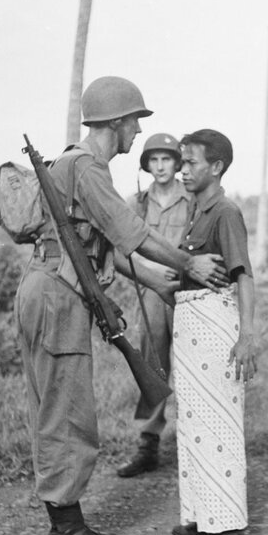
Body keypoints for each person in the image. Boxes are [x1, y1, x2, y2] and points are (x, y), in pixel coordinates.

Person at [15, 77, 227, 535]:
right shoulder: (87, 168)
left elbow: (105, 245)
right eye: (135, 120)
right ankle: (66, 534)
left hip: (52, 289)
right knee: (66, 413)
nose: (138, 131)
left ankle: (71, 523)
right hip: (57, 296)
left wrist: (156, 282)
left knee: (61, 407)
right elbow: (134, 233)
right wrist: (187, 263)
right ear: (116, 122)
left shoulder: (74, 165)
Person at [170, 129, 257, 535]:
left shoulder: (225, 212)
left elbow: (243, 276)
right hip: (190, 330)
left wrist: (247, 335)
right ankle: (203, 517)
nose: (184, 171)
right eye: (182, 163)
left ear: (216, 167)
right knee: (195, 425)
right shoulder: (195, 210)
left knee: (219, 425)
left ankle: (229, 528)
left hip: (216, 326)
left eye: (192, 163)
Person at [116, 133, 190, 478]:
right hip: (151, 292)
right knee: (153, 365)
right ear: (147, 165)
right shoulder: (137, 203)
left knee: (194, 365)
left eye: (167, 159)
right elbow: (121, 248)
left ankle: (197, 443)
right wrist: (149, 273)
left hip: (188, 291)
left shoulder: (191, 199)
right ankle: (148, 444)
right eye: (154, 160)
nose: (161, 166)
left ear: (177, 163)